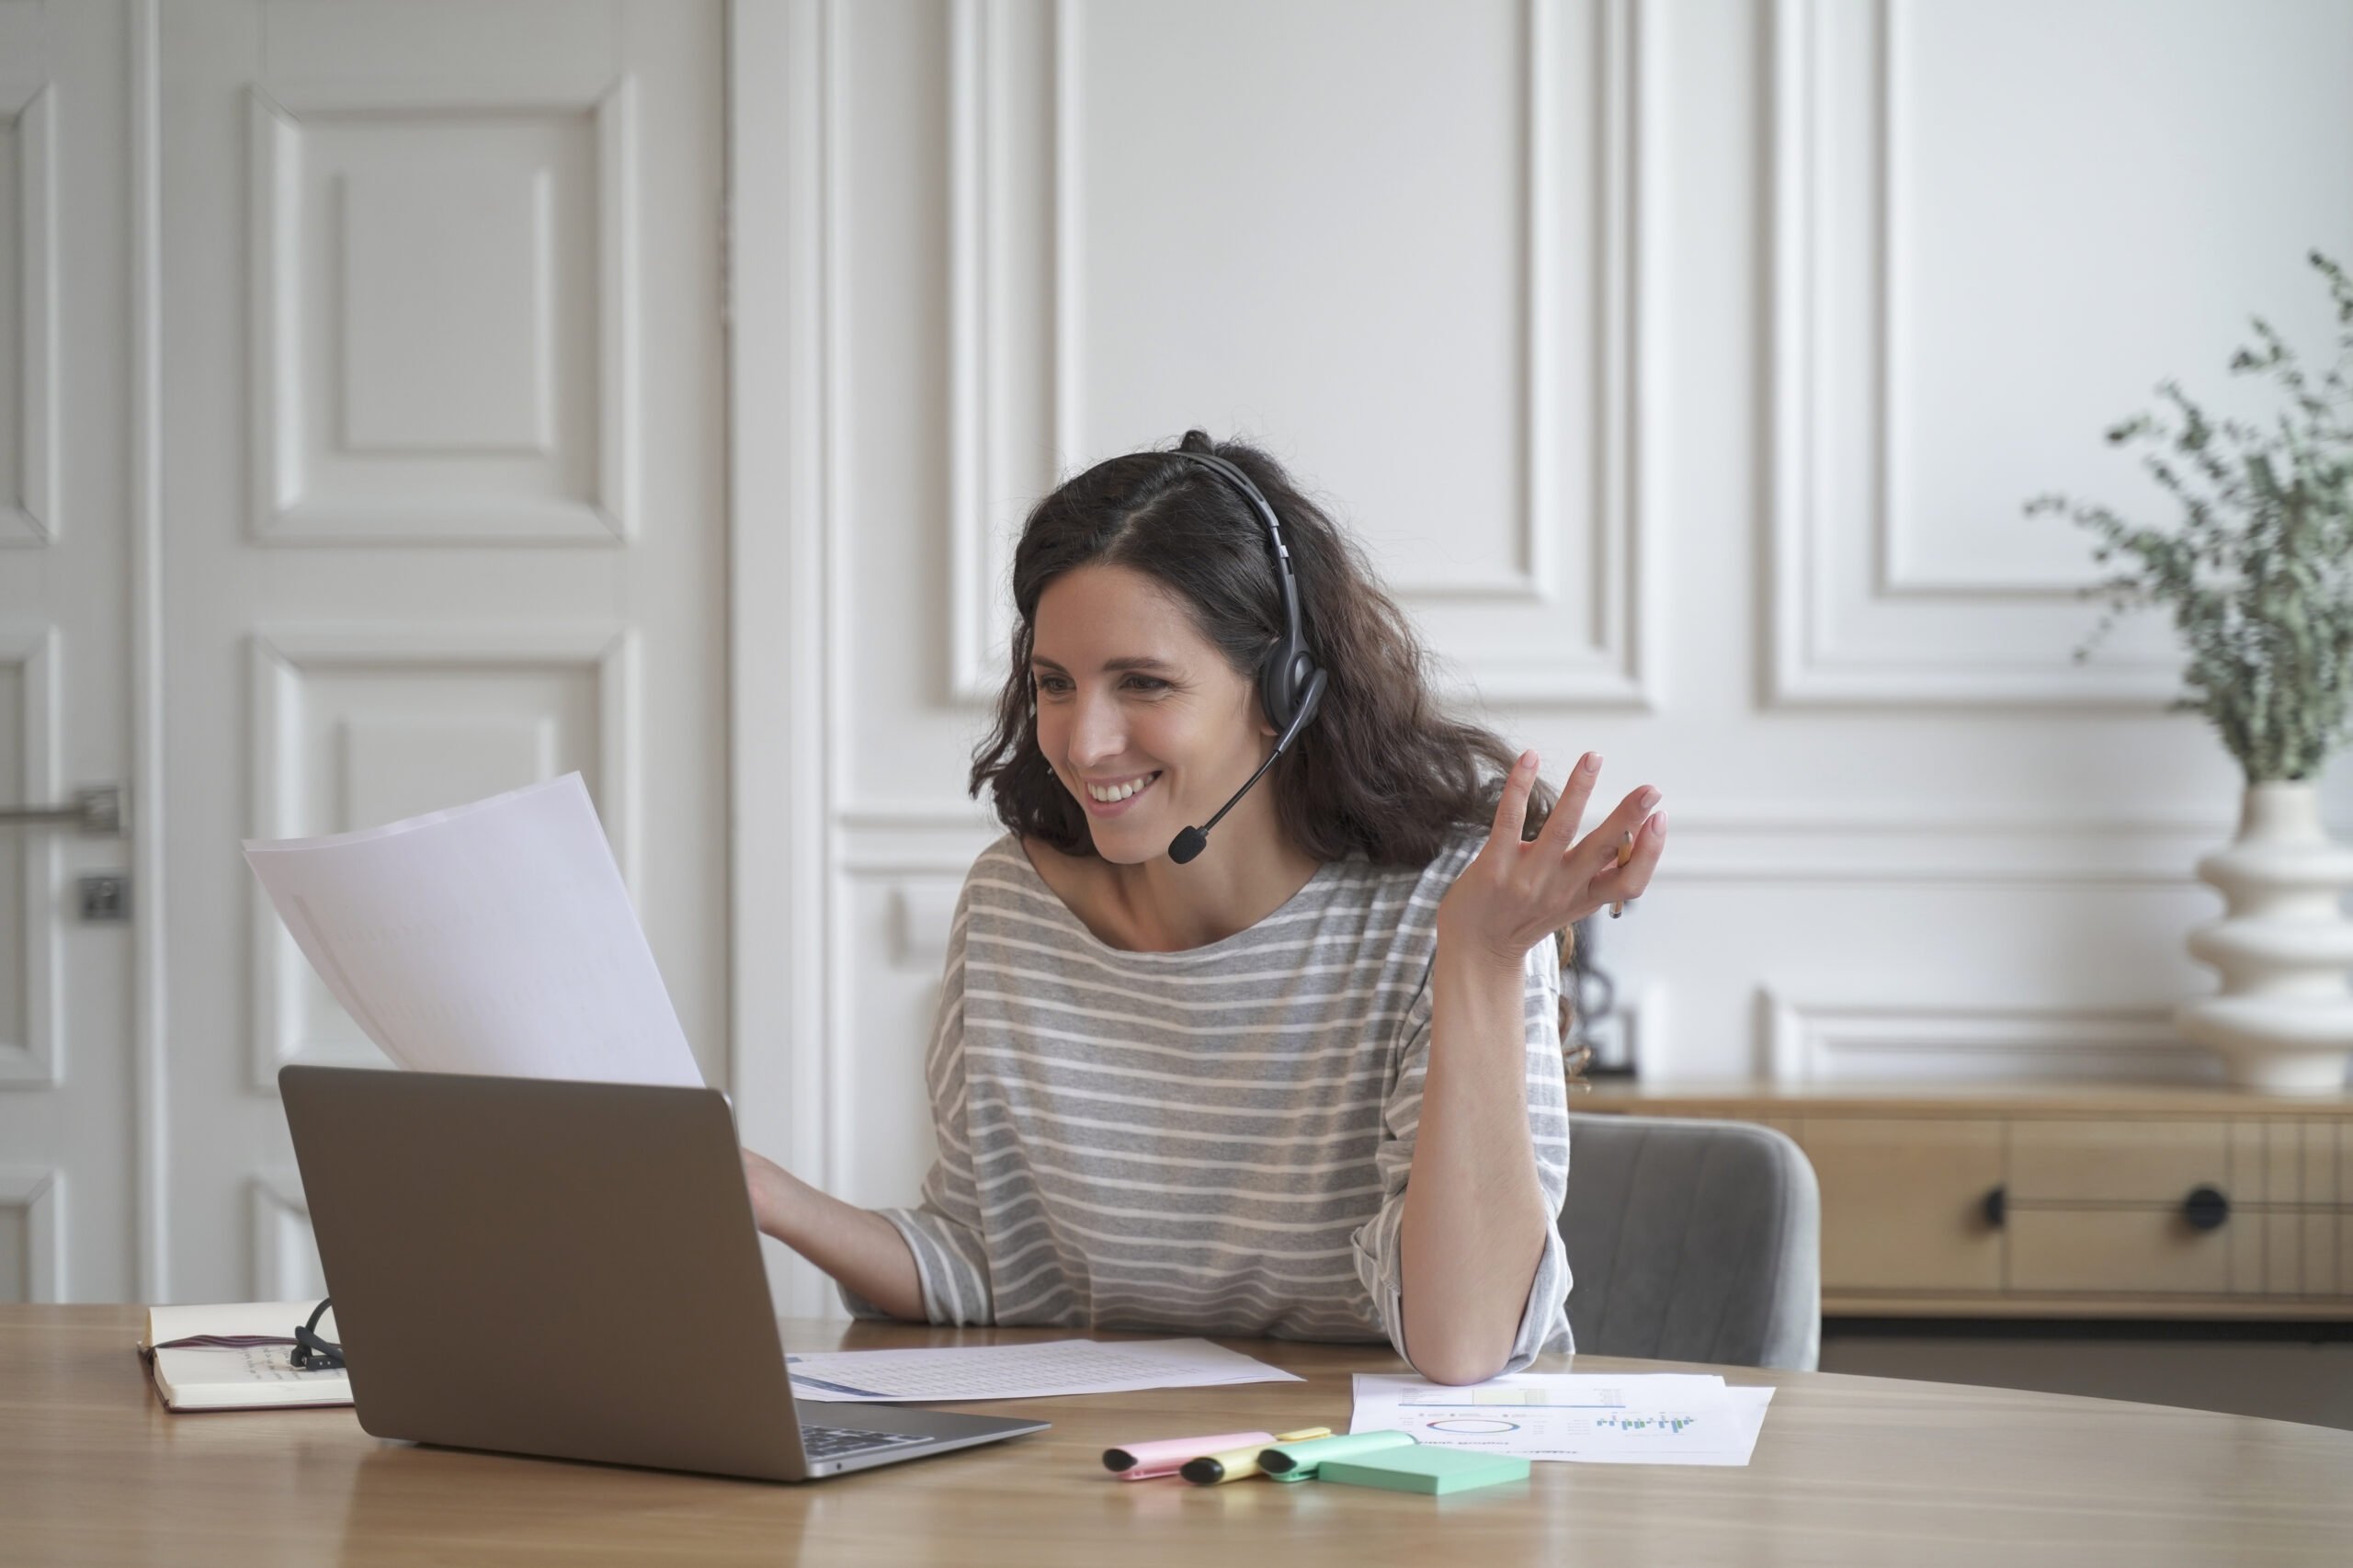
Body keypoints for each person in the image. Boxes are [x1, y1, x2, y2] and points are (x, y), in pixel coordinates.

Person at [741, 430, 1665, 1385]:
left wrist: (1478, 957)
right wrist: (763, 1193)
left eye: (1142, 683)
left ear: (1285, 691)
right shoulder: (1012, 906)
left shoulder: (1450, 904)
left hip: (1392, 1502)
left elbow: (1463, 1341)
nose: (1083, 740)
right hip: (1110, 1484)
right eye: (1054, 683)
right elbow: (991, 1265)